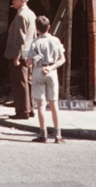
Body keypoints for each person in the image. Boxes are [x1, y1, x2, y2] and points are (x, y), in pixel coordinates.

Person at [26, 16, 66, 144]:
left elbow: (29, 62)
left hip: (39, 71)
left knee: (41, 105)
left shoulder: (35, 42)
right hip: (52, 71)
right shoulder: (55, 40)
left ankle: (43, 135)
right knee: (54, 104)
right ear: (49, 27)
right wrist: (51, 68)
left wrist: (28, 60)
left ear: (36, 29)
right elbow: (62, 59)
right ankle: (58, 135)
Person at [4, 0, 37, 120]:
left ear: (23, 0)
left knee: (20, 83)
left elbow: (20, 39)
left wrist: (16, 57)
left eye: (15, 0)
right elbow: (33, 36)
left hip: (20, 55)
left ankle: (23, 111)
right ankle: (30, 108)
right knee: (28, 82)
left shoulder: (21, 16)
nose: (13, 2)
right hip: (28, 54)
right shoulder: (31, 13)